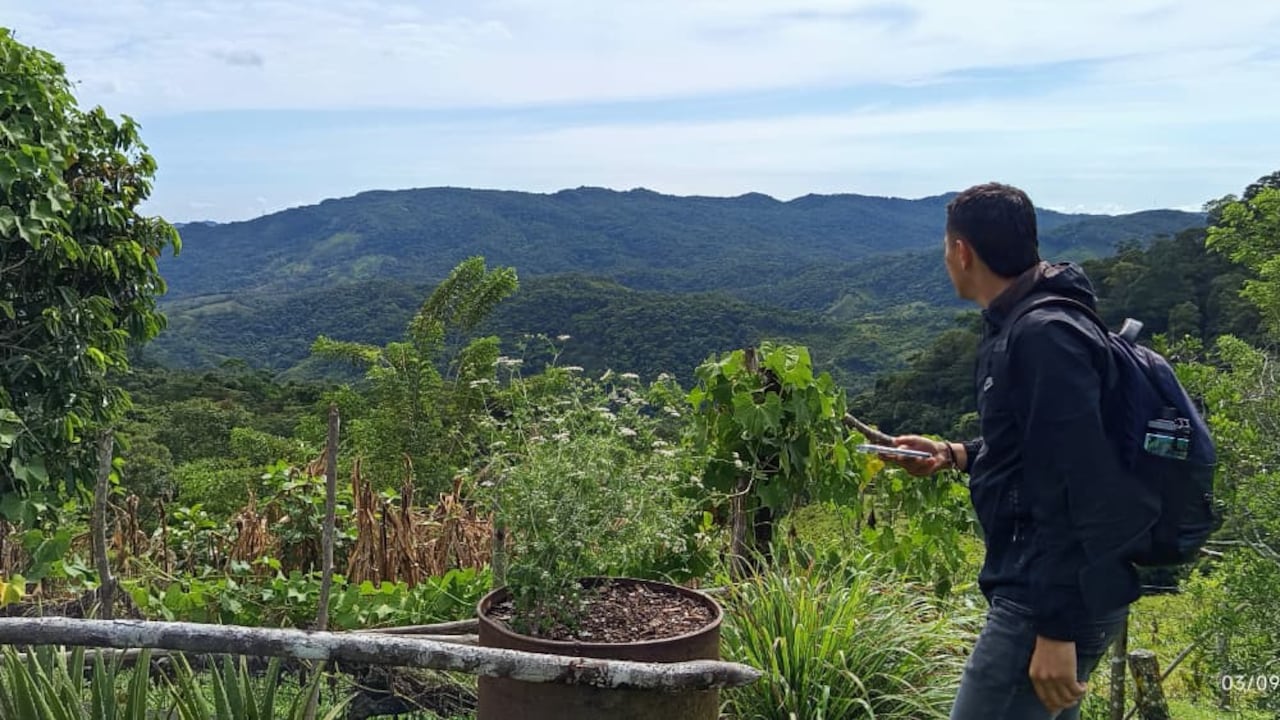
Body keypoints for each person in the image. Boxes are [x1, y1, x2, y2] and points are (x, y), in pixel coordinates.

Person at [886, 183, 1138, 719]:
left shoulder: (1043, 336)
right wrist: (952, 452)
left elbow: (1079, 482)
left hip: (1043, 601)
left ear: (962, 252)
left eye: (945, 248)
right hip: (1051, 592)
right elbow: (1037, 448)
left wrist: (1054, 630)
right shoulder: (1027, 322)